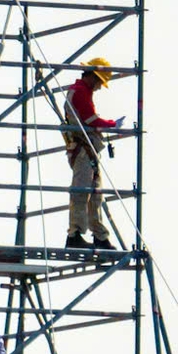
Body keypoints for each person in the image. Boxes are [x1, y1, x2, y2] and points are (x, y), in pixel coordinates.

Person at [62, 57, 123, 251]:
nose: (99, 88)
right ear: (93, 77)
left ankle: (99, 235)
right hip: (83, 150)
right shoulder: (80, 92)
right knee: (81, 192)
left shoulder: (82, 91)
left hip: (87, 150)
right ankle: (75, 234)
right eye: (99, 82)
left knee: (96, 194)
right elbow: (91, 119)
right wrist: (112, 125)